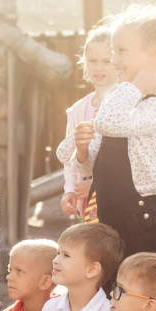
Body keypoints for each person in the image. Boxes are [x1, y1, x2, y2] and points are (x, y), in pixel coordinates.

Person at [60, 7, 156, 259]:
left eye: (121, 51)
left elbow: (107, 122)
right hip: (113, 227)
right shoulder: (126, 104)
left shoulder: (154, 107)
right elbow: (82, 165)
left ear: (152, 53)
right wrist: (82, 149)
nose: (114, 60)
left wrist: (135, 85)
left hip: (143, 229)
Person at [58, 26, 118, 218]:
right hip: (86, 203)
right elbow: (69, 158)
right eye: (92, 61)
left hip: (117, 198)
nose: (98, 68)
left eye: (106, 61)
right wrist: (69, 189)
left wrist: (97, 186)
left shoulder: (127, 104)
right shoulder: (78, 109)